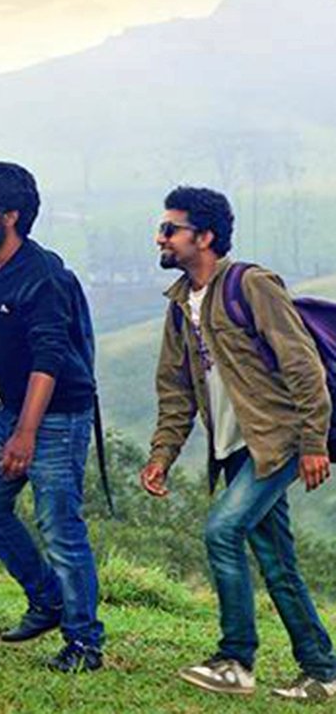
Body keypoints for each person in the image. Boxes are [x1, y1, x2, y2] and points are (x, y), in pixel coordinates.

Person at [140, 186, 336, 701]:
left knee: (223, 531)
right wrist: (162, 455)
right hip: (231, 448)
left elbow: (303, 367)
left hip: (275, 442)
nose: (160, 238)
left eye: (170, 229)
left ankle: (236, 659)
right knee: (276, 561)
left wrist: (313, 443)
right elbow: (176, 391)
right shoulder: (180, 305)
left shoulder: (250, 285)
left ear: (204, 237)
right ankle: (322, 671)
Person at [0, 162, 105, 672]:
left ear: (11, 215)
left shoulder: (44, 276)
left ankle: (84, 643)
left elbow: (49, 358)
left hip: (56, 414)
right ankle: (47, 598)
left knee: (60, 525)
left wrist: (26, 434)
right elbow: (4, 314)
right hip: (12, 408)